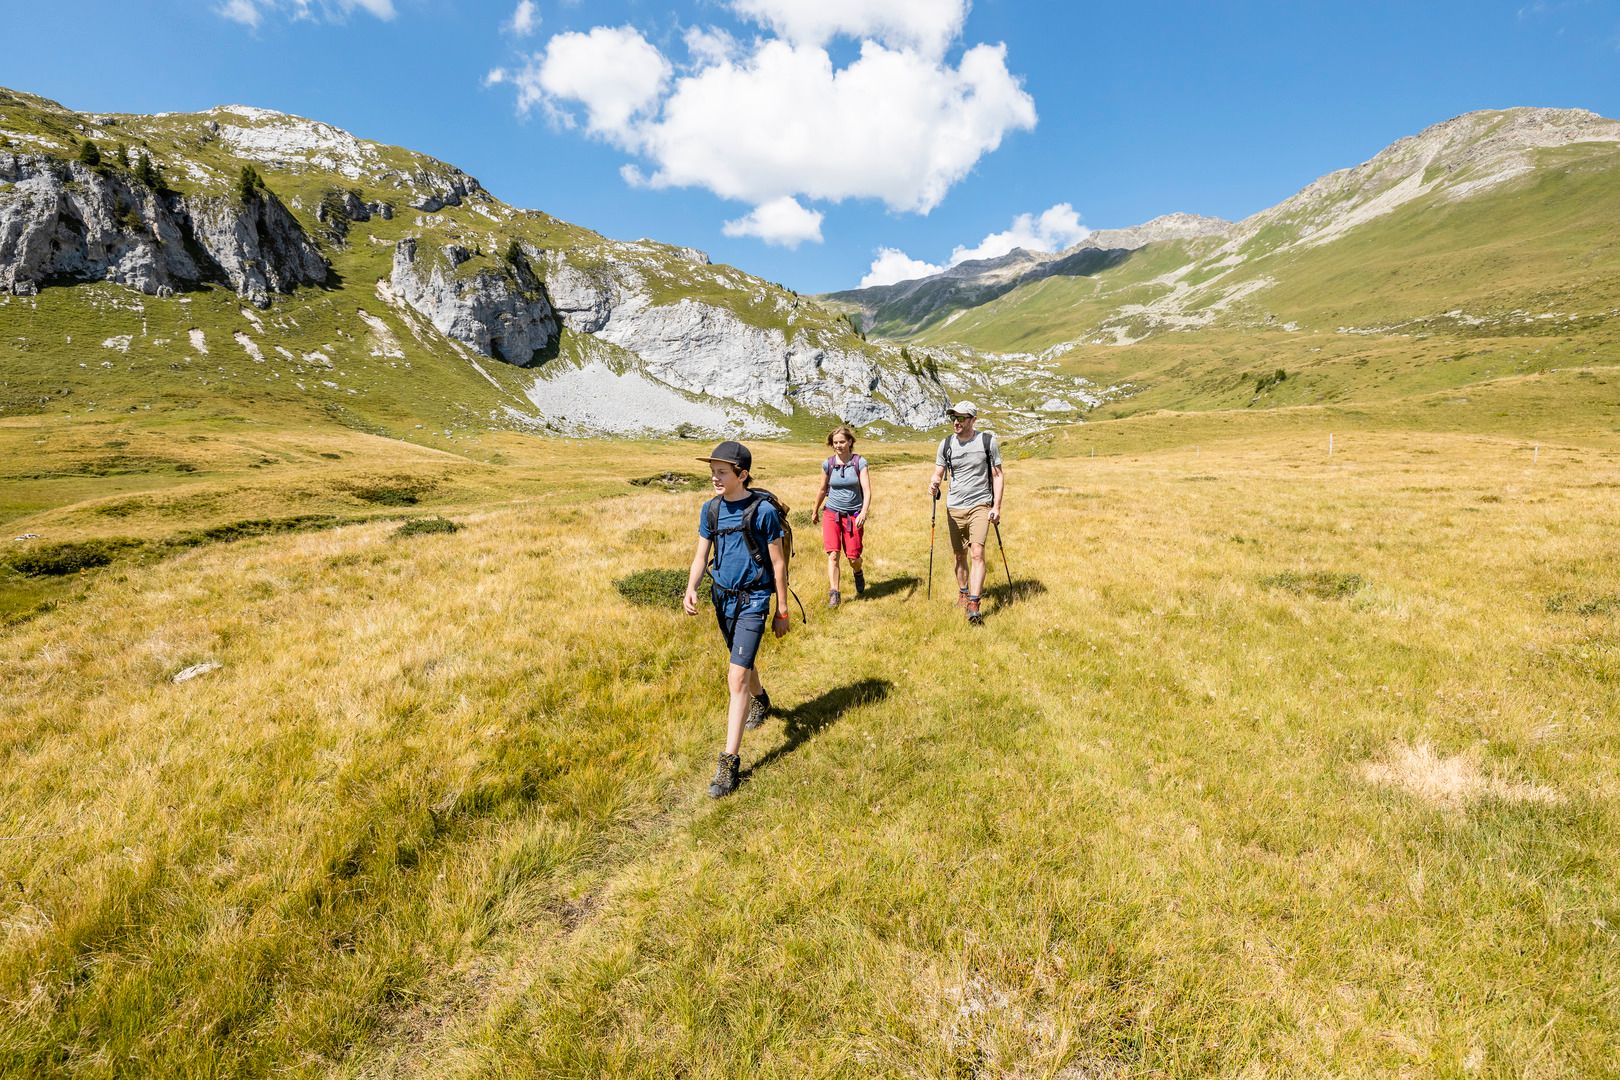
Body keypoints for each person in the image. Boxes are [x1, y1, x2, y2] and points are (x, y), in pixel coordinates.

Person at [683, 440, 791, 798]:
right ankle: (760, 699)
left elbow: (778, 564)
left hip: (755, 599)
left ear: (741, 474)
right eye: (713, 471)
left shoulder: (763, 512)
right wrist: (692, 586)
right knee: (741, 665)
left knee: (736, 675)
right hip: (722, 599)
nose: (715, 477)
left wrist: (782, 610)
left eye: (722, 472)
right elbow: (702, 555)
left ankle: (729, 763)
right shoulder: (710, 510)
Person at [927, 401, 1003, 625]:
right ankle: (963, 592)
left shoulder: (987, 442)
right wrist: (933, 482)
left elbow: (998, 476)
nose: (956, 422)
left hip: (980, 504)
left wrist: (996, 507)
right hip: (954, 506)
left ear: (973, 420)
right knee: (959, 555)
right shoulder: (946, 444)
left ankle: (974, 604)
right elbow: (938, 471)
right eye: (954, 418)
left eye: (961, 418)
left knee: (977, 553)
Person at [810, 424, 872, 608]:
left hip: (853, 515)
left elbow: (867, 491)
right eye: (835, 442)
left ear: (850, 442)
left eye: (842, 442)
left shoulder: (859, 462)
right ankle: (834, 593)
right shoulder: (828, 464)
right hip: (831, 513)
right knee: (833, 555)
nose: (838, 445)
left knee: (853, 558)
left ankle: (858, 572)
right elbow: (822, 489)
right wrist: (815, 510)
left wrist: (863, 512)